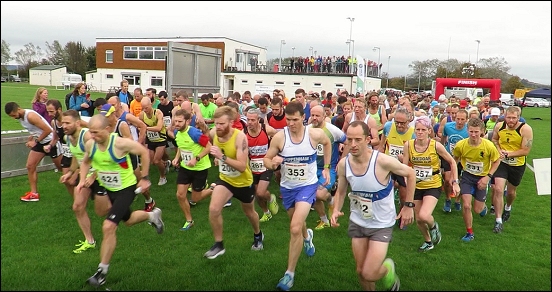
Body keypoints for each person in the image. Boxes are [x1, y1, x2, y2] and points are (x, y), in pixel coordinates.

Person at [75, 114, 164, 288]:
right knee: (129, 220)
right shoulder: (90, 144)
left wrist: (145, 177)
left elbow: (143, 152)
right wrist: (81, 180)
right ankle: (152, 216)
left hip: (126, 189)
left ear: (107, 129)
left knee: (108, 226)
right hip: (109, 189)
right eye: (90, 132)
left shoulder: (120, 143)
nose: (92, 136)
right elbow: (85, 161)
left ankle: (102, 272)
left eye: (96, 132)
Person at [331, 120, 415, 291]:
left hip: (381, 224)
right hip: (358, 221)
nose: (352, 144)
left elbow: (411, 173)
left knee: (369, 273)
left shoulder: (382, 161)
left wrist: (408, 206)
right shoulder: (344, 164)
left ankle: (387, 268)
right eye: (349, 140)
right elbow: (340, 191)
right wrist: (336, 210)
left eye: (358, 140)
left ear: (368, 139)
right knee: (361, 271)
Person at [262, 101, 332, 291]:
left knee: (293, 228)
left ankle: (289, 274)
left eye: (295, 120)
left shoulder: (314, 134)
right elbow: (266, 160)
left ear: (303, 118)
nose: (291, 123)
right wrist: (273, 163)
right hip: (287, 188)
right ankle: (307, 236)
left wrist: (326, 168)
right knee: (297, 223)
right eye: (288, 120)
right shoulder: (279, 138)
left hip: (308, 186)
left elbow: (327, 143)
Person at [203, 106, 264, 259]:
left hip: (243, 182)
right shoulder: (213, 133)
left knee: (249, 212)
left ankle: (258, 234)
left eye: (222, 124)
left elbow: (242, 166)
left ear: (230, 122)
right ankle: (219, 244)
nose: (218, 127)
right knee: (214, 209)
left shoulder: (240, 138)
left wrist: (221, 157)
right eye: (216, 123)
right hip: (225, 180)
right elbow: (205, 141)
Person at [403, 116, 459, 251]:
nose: (420, 132)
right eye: (417, 129)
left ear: (429, 131)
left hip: (432, 184)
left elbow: (452, 162)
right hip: (416, 185)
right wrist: (406, 182)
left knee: (424, 215)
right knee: (419, 219)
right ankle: (428, 241)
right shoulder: (408, 145)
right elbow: (405, 166)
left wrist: (455, 181)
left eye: (423, 130)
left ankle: (434, 226)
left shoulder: (435, 145)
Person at [58, 109, 106, 253]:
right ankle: (89, 240)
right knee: (77, 206)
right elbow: (76, 157)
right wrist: (71, 172)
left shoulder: (86, 137)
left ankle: (146, 214)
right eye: (62, 123)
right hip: (85, 176)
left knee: (103, 211)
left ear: (77, 123)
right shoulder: (68, 138)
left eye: (67, 123)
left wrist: (93, 176)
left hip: (101, 174)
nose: (64, 126)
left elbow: (102, 157)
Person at [453, 117, 500, 241]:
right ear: (467, 130)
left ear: (482, 131)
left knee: (477, 210)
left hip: (482, 178)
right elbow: (455, 160)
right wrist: (454, 179)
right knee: (467, 206)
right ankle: (469, 232)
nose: (473, 134)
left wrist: (488, 177)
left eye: (476, 132)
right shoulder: (461, 145)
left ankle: (483, 206)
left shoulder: (488, 146)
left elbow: (496, 161)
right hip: (467, 177)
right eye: (471, 131)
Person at [5, 101, 63, 201]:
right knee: (30, 166)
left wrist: (36, 141)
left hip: (51, 142)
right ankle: (34, 193)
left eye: (14, 115)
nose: (13, 118)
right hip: (40, 142)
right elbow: (35, 129)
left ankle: (80, 181)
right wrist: (31, 137)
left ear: (18, 109)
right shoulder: (21, 117)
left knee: (63, 168)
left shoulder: (30, 116)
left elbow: (47, 130)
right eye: (11, 116)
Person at [491, 106, 533, 232]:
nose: (510, 120)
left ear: (518, 118)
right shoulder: (499, 126)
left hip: (517, 164)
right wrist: (499, 151)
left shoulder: (525, 129)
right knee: (498, 189)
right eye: (508, 117)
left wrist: (508, 154)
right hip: (502, 162)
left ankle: (508, 207)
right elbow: (494, 139)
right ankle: (498, 221)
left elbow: (526, 150)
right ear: (504, 116)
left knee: (510, 192)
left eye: (513, 118)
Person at [170, 109, 213, 230]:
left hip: (200, 168)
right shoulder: (177, 132)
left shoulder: (194, 133)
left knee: (195, 198)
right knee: (180, 195)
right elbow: (180, 146)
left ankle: (213, 189)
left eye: (179, 121)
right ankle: (189, 220)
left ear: (188, 121)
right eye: (175, 121)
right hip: (185, 168)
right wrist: (177, 158)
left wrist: (196, 159)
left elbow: (209, 147)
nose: (176, 124)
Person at [308, 105, 346, 230]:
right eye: (312, 115)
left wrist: (342, 160)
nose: (314, 118)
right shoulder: (307, 130)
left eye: (317, 115)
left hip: (328, 168)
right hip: (311, 168)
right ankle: (324, 220)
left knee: (319, 194)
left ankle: (330, 200)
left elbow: (349, 142)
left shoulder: (333, 130)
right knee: (313, 195)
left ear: (324, 116)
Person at [244, 108, 280, 222]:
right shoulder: (243, 134)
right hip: (253, 167)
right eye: (248, 120)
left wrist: (276, 154)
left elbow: (280, 139)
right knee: (258, 195)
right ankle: (266, 212)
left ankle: (269, 199)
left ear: (258, 120)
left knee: (260, 192)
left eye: (252, 120)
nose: (250, 122)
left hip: (266, 164)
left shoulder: (267, 130)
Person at [441, 108, 468, 212]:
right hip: (448, 156)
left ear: (466, 120)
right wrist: (441, 151)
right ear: (454, 118)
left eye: (462, 119)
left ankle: (457, 200)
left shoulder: (468, 130)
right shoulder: (448, 126)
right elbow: (443, 138)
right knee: (448, 180)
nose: (460, 122)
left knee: (461, 180)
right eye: (458, 119)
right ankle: (448, 199)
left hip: (462, 158)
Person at [139, 97, 169, 186]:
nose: (145, 110)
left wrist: (145, 128)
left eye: (146, 108)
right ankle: (166, 163)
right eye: (143, 108)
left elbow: (159, 128)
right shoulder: (142, 115)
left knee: (156, 161)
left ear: (151, 104)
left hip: (161, 138)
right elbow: (139, 127)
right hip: (150, 139)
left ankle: (163, 177)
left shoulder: (158, 113)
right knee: (152, 162)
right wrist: (141, 141)